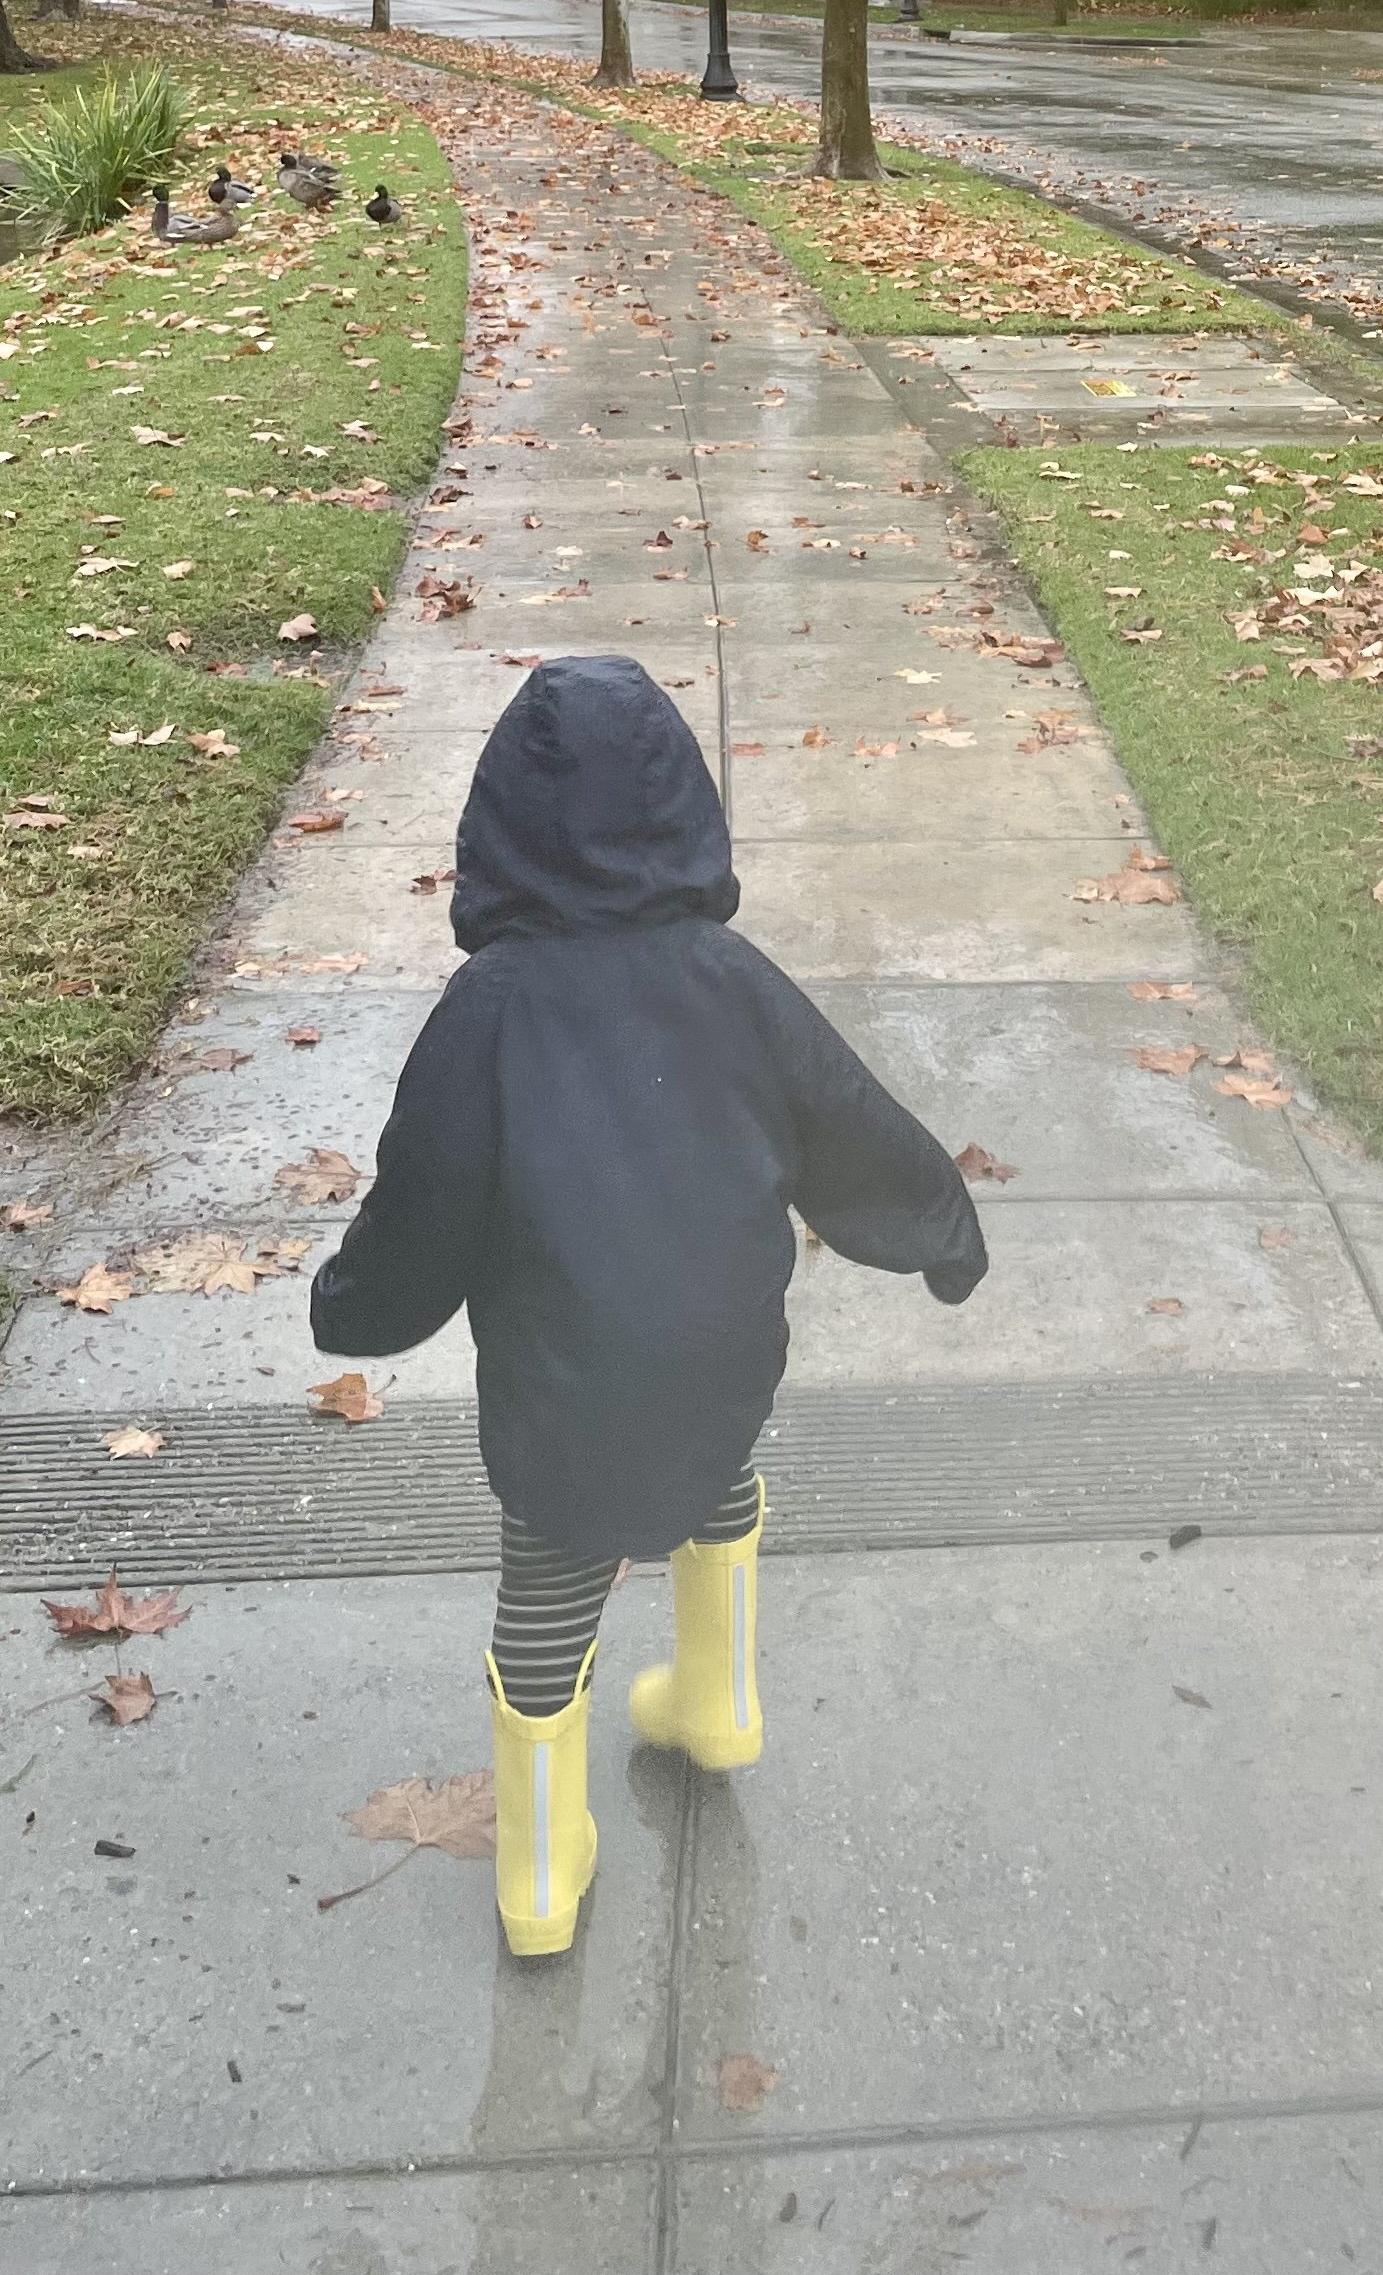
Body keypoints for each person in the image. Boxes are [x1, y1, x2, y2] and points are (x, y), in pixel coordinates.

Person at [309, 653, 987, 1957]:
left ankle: (542, 1871)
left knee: (554, 1580)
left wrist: (354, 1305)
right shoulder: (735, 983)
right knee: (714, 1470)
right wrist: (940, 1231)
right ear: (685, 811)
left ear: (499, 830)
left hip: (569, 1380)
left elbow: (426, 1200)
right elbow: (854, 1127)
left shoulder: (489, 1014)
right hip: (724, 1350)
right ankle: (718, 1702)